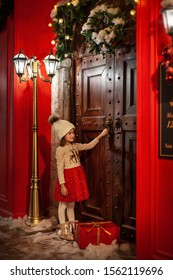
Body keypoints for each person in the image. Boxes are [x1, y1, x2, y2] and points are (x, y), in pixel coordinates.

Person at [48, 114, 108, 241]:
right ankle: (64, 231)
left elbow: (88, 146)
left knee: (71, 205)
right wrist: (63, 185)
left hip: (76, 177)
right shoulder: (60, 149)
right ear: (63, 135)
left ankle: (72, 230)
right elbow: (59, 168)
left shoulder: (75, 146)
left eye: (73, 132)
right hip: (67, 179)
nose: (72, 135)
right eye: (69, 133)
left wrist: (100, 136)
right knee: (63, 205)